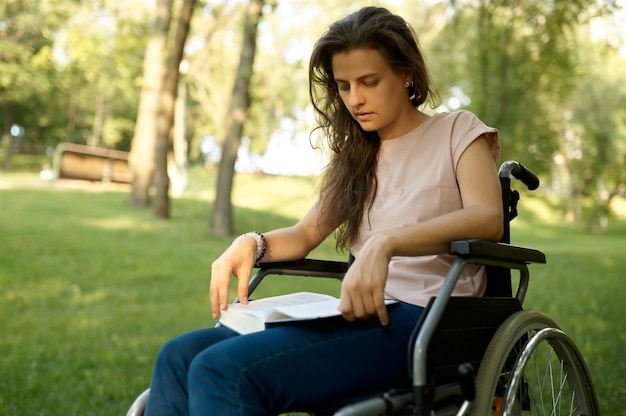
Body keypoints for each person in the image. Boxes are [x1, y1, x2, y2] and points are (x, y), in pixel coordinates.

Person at [144, 6, 503, 416]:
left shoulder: (457, 131)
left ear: (406, 74)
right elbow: (304, 233)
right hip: (356, 315)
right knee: (178, 357)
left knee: (224, 371)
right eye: (344, 86)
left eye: (369, 82)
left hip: (429, 320)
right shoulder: (357, 157)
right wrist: (252, 242)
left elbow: (486, 217)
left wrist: (387, 244)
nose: (355, 99)